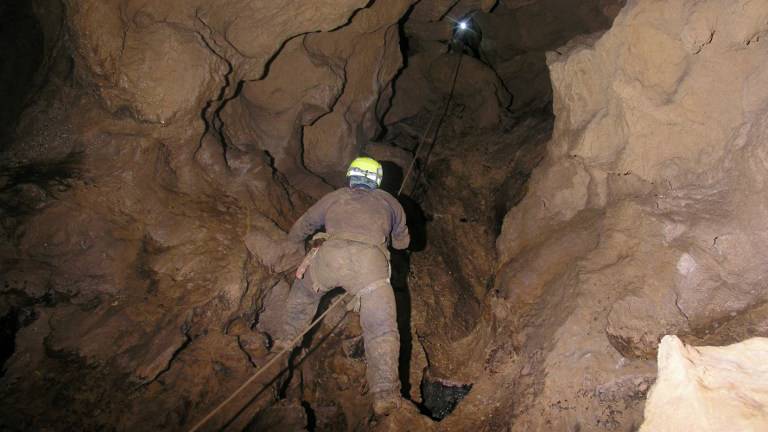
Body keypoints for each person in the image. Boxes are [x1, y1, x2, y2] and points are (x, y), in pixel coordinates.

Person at [274, 156, 411, 416]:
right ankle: (384, 394)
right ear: (378, 180)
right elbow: (403, 243)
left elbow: (305, 224)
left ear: (350, 176)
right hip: (370, 265)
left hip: (330, 256)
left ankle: (284, 341)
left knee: (303, 295)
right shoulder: (390, 202)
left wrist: (291, 242)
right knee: (381, 329)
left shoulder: (336, 196)